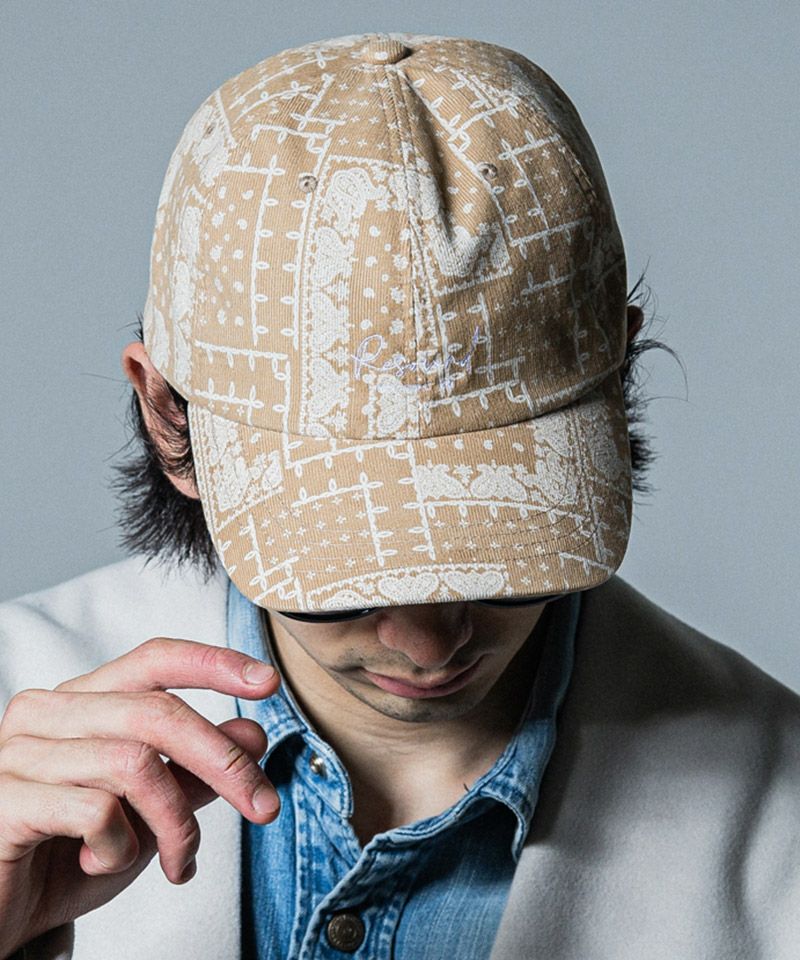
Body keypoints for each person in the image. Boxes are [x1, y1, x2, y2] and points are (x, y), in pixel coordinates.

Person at [0, 31, 798, 960]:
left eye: (497, 549)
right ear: (165, 416)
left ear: (616, 387)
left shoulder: (780, 829)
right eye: (346, 569)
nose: (428, 644)